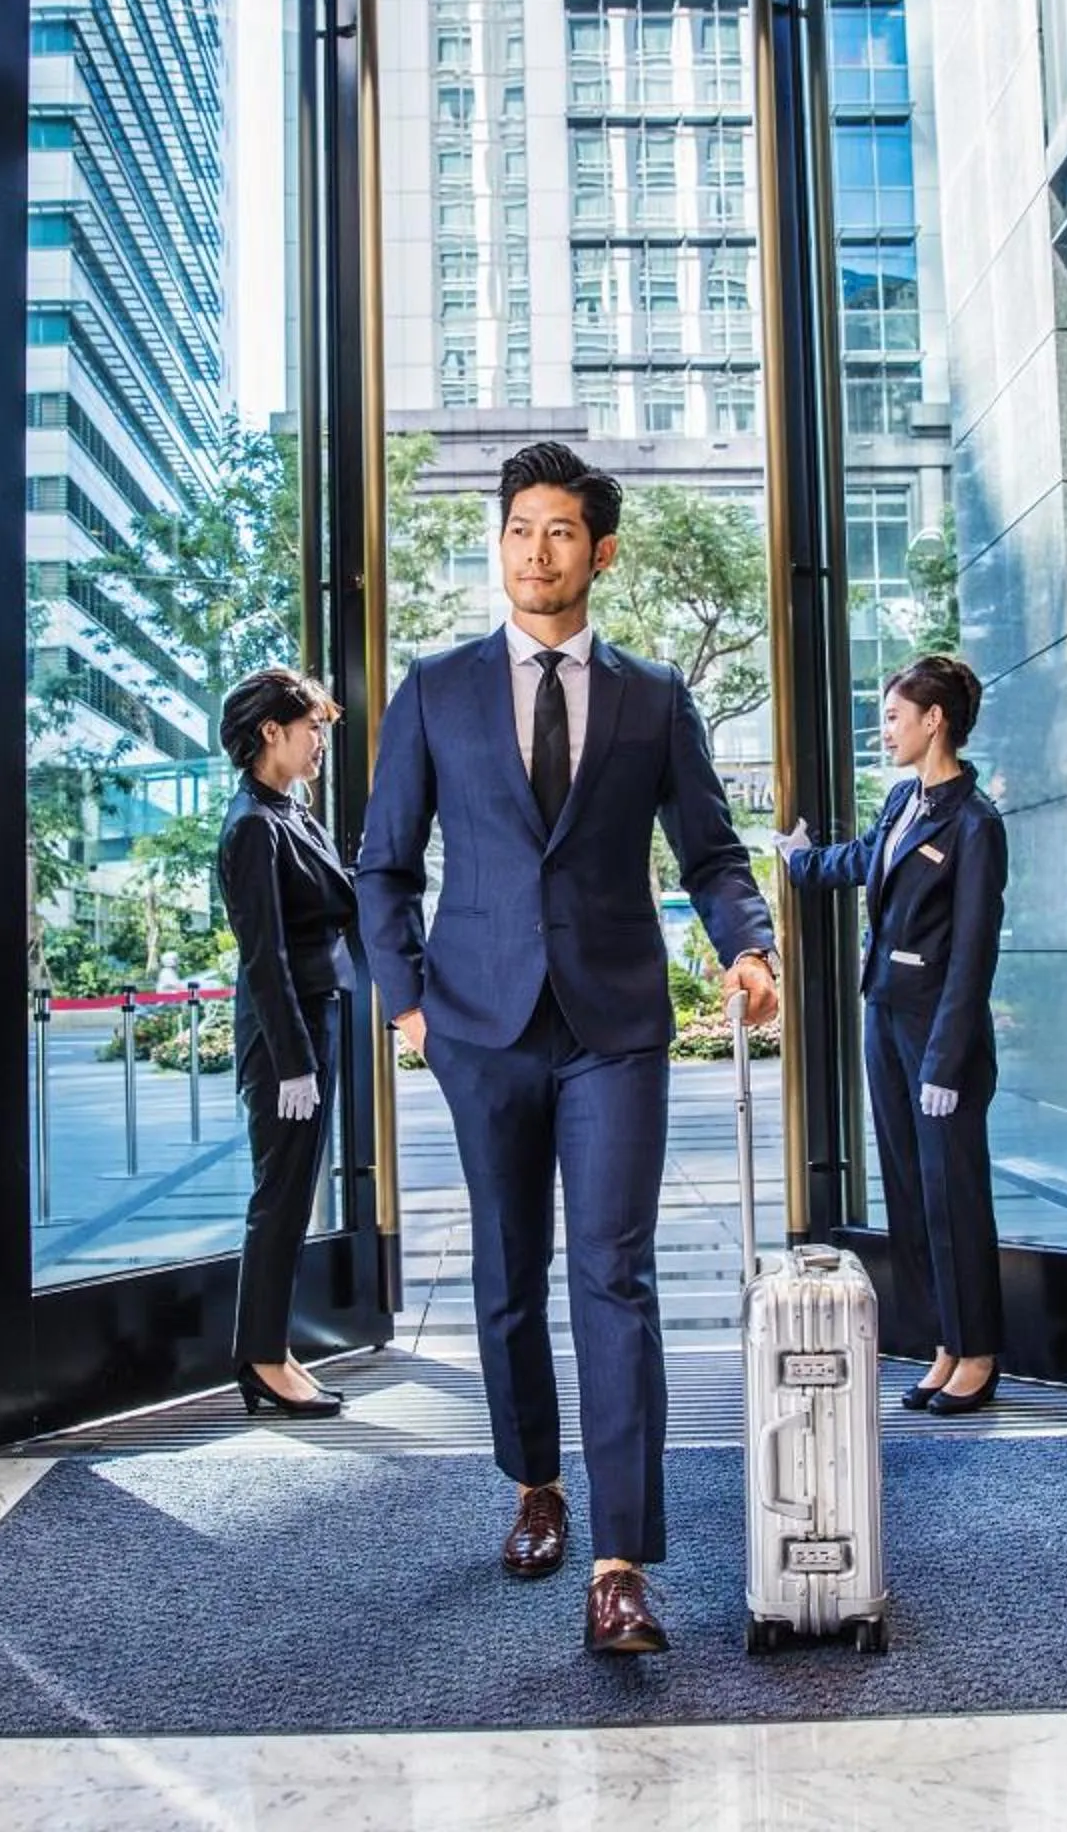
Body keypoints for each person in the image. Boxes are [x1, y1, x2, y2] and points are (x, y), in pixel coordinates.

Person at [356, 441, 779, 1656]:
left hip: (614, 1028)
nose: (538, 551)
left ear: (601, 549)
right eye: (520, 529)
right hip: (479, 1028)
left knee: (615, 1273)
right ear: (500, 545)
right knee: (506, 1275)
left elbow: (709, 852)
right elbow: (384, 864)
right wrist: (408, 1007)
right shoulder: (434, 688)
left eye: (560, 532)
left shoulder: (652, 696)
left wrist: (745, 946)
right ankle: (536, 1480)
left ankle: (620, 1561)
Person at [777, 654, 1007, 1415]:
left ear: (933, 720)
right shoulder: (905, 799)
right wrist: (799, 860)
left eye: (895, 716)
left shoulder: (975, 824)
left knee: (954, 1196)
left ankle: (978, 1352)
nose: (886, 730)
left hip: (940, 1037)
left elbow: (973, 954)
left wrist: (945, 1061)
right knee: (910, 1190)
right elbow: (864, 861)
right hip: (886, 1017)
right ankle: (944, 1342)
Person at [215, 666, 356, 1420]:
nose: (321, 741)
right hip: (286, 1038)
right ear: (272, 730)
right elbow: (262, 957)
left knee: (293, 1195)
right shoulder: (251, 827)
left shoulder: (291, 812)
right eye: (313, 728)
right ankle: (263, 1360)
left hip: (315, 1018)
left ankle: (272, 1347)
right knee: (281, 1197)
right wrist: (294, 1064)